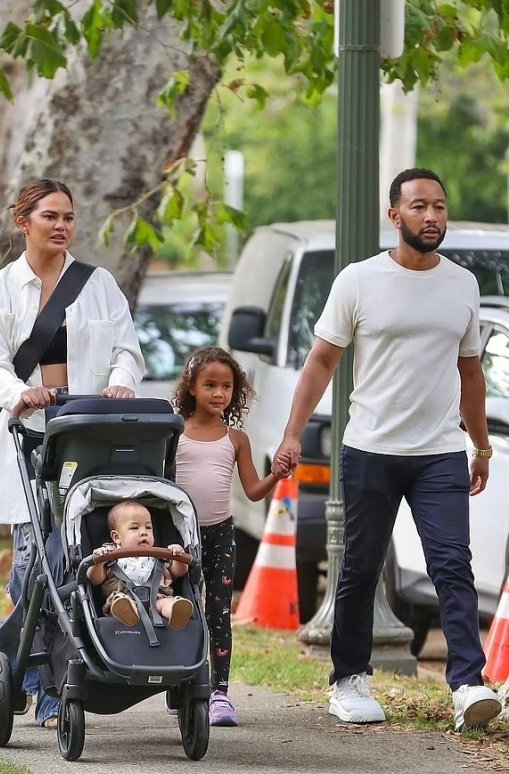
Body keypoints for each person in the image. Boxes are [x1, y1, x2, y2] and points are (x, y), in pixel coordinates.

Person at [272, 167, 502, 732]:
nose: (432, 216)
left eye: (441, 206)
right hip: (371, 447)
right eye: (420, 206)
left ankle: (467, 683)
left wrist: (480, 446)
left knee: (453, 564)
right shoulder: (358, 280)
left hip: (440, 451)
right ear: (394, 216)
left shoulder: (463, 284)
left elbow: (470, 375)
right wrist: (292, 433)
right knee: (361, 566)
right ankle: (349, 678)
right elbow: (322, 361)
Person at [0, 178, 145, 729]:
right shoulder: (0, 288)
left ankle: (28, 668)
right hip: (29, 438)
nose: (62, 225)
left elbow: (127, 348)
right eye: (50, 215)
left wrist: (120, 382)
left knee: (68, 559)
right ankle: (43, 687)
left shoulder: (97, 285)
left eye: (68, 216)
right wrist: (17, 394)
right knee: (32, 565)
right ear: (23, 221)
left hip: (84, 438)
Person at [172, 346, 291, 727]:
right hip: (180, 537)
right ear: (191, 386)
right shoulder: (173, 433)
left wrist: (277, 474)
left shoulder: (236, 439)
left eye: (226, 386)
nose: (219, 393)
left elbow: (254, 491)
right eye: (210, 385)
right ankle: (183, 684)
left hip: (221, 534)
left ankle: (219, 692)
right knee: (180, 609)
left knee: (219, 611)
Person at [87, 500, 194, 630]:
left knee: (166, 602)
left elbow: (178, 572)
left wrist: (178, 556)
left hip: (157, 597)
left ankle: (175, 611)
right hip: (123, 595)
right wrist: (98, 561)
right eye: (134, 527)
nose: (144, 532)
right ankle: (128, 613)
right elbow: (94, 579)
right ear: (116, 537)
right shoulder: (109, 553)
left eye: (148, 527)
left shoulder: (158, 554)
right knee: (119, 600)